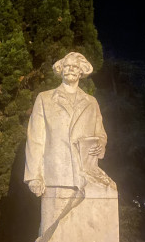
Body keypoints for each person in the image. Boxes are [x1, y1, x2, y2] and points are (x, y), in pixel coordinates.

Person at [24, 52, 107, 196]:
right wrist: (34, 176)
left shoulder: (91, 102)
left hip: (85, 174)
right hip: (55, 175)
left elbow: (100, 134)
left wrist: (100, 145)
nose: (71, 69)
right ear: (61, 69)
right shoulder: (45, 98)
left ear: (81, 71)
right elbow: (35, 139)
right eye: (67, 66)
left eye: (75, 66)